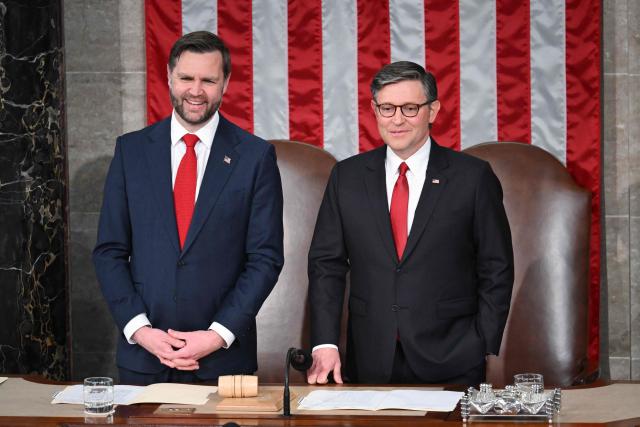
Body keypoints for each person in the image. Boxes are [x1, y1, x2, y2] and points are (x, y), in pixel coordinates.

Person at [93, 31, 284, 385]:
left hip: (222, 364)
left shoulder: (255, 158)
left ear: (225, 83)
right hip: (144, 360)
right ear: (169, 77)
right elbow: (109, 252)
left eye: (208, 80)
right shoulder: (131, 152)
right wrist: (142, 331)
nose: (195, 91)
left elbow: (265, 259)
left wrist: (214, 336)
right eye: (186, 78)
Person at [306, 61, 513, 386]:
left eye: (410, 108)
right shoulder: (347, 177)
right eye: (387, 108)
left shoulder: (473, 178)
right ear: (374, 110)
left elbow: (496, 266)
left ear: (432, 110)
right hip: (370, 355)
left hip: (453, 355)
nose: (397, 119)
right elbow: (326, 266)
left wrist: (481, 341)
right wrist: (326, 342)